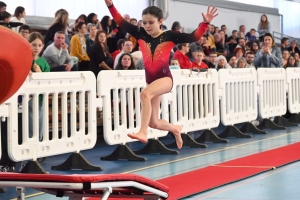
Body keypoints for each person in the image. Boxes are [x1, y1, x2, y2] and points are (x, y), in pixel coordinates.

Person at [104, 0, 218, 149]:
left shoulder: (169, 36)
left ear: (160, 21)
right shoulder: (140, 33)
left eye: (151, 22)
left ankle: (142, 132)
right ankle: (175, 129)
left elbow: (194, 37)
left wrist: (205, 23)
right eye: (144, 23)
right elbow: (120, 21)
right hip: (151, 81)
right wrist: (110, 5)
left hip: (165, 79)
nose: (147, 26)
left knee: (144, 94)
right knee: (154, 122)